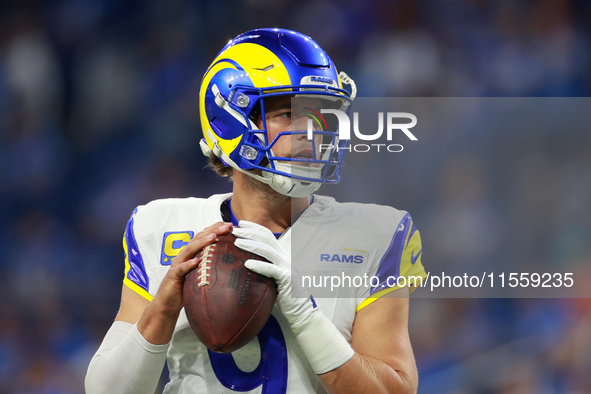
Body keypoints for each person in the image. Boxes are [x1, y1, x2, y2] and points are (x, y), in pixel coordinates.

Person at [85, 28, 426, 394]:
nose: (311, 132)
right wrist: (163, 310)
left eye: (320, 116)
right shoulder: (160, 228)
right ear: (228, 120)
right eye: (286, 113)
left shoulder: (376, 234)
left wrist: (303, 315)